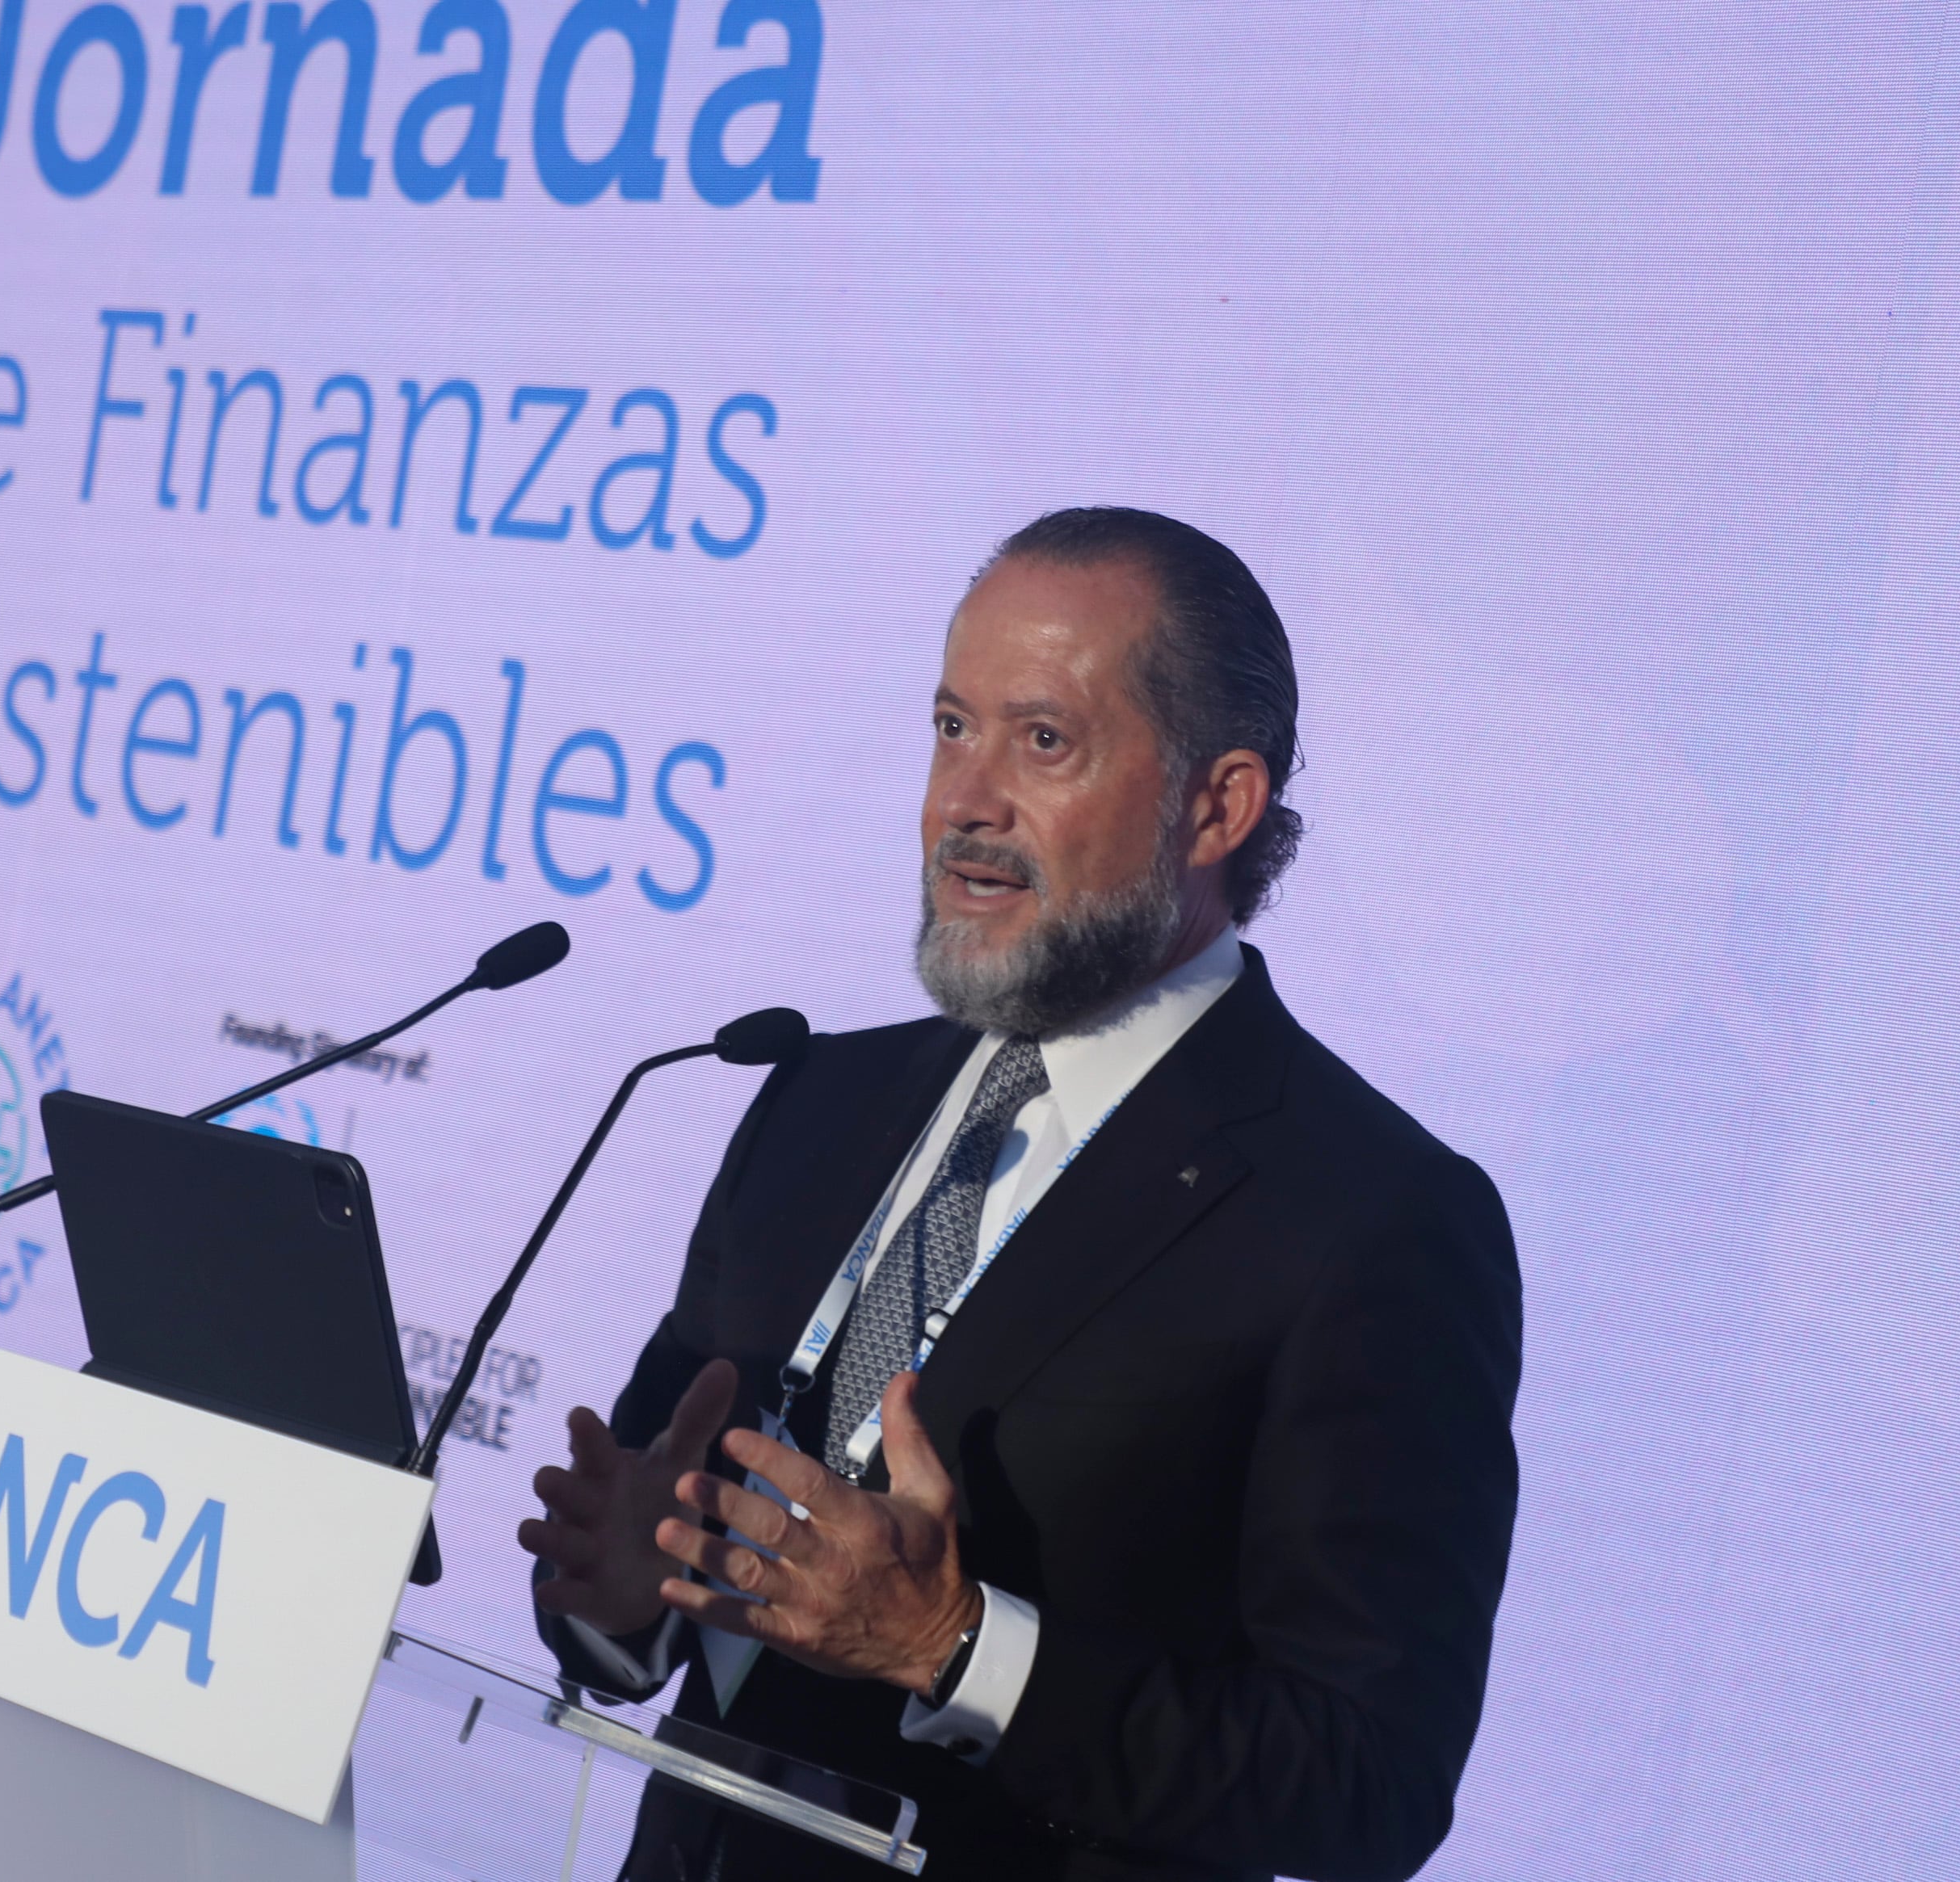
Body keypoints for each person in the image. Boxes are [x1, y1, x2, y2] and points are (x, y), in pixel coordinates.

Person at [517, 507, 1522, 1882]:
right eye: (950, 727)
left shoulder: (1371, 1219)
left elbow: (1365, 1779)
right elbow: (651, 1556)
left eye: (1042, 741)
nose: (964, 802)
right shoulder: (815, 1097)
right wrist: (621, 1595)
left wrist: (957, 1646)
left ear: (1217, 804)